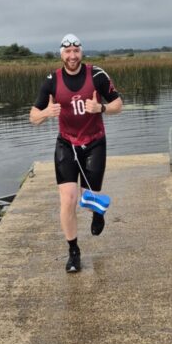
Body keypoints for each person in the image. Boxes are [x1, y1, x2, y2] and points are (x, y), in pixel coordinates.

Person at [29, 33, 123, 273]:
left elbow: (118, 104)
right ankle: (73, 252)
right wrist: (46, 113)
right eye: (67, 52)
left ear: (81, 52)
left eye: (76, 51)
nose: (72, 56)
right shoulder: (52, 80)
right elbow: (33, 117)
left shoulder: (97, 75)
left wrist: (100, 107)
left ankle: (98, 212)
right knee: (68, 199)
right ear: (61, 54)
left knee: (88, 199)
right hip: (67, 144)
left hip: (94, 143)